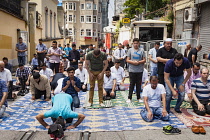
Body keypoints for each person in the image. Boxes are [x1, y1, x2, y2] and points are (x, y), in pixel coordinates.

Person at [126, 38, 146, 103]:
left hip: (139, 69)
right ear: (132, 44)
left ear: (139, 43)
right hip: (132, 69)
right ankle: (129, 97)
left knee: (138, 84)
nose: (135, 44)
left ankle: (138, 97)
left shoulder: (142, 50)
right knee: (132, 84)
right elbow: (127, 59)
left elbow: (144, 60)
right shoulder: (130, 50)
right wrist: (133, 62)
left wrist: (139, 62)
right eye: (134, 43)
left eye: (137, 43)